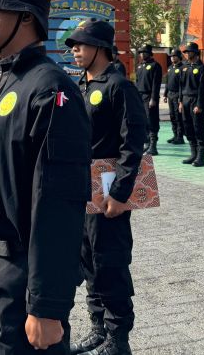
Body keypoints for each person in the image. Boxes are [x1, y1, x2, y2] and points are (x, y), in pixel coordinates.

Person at [0, 0, 92, 354]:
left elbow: (59, 206)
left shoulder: (50, 90)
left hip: (21, 277)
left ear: (24, 18)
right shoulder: (3, 78)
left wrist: (47, 306)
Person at [67, 20, 146, 355]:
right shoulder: (84, 86)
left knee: (109, 260)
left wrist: (120, 194)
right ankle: (98, 327)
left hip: (109, 188)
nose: (75, 50)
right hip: (85, 187)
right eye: (73, 45)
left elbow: (134, 143)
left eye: (81, 44)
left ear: (101, 47)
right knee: (87, 259)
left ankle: (118, 337)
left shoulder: (118, 86)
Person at [178, 42, 204, 167]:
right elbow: (181, 85)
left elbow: (203, 88)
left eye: (188, 52)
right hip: (185, 100)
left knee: (198, 128)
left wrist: (199, 105)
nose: (186, 54)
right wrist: (180, 101)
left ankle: (200, 157)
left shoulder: (201, 68)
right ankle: (193, 154)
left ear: (195, 53)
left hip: (196, 101)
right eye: (185, 52)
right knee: (188, 127)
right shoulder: (183, 67)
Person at [134, 45, 161, 155]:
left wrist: (153, 98)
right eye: (140, 52)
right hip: (140, 96)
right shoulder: (140, 66)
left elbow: (156, 84)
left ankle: (153, 146)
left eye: (144, 52)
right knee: (144, 120)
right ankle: (147, 143)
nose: (142, 54)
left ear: (150, 53)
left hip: (150, 97)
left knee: (152, 120)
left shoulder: (155, 66)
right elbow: (137, 82)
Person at [163, 49, 184, 145]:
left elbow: (182, 85)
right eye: (171, 56)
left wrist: (180, 99)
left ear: (179, 57)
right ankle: (175, 135)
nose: (172, 58)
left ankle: (180, 137)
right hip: (170, 95)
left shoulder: (182, 68)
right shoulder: (170, 68)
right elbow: (167, 82)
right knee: (172, 116)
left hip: (177, 94)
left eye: (174, 56)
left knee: (178, 116)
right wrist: (165, 94)